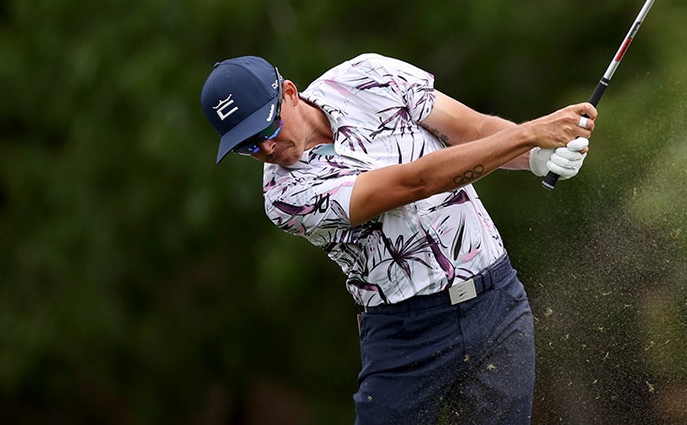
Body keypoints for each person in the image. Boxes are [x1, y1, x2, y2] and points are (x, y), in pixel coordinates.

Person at [199, 52, 596, 424]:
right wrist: (528, 135)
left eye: (268, 127)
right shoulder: (285, 198)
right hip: (405, 336)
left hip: (496, 303)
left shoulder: (367, 75)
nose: (267, 147)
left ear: (289, 92)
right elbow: (415, 183)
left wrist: (535, 157)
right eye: (248, 145)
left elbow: (472, 129)